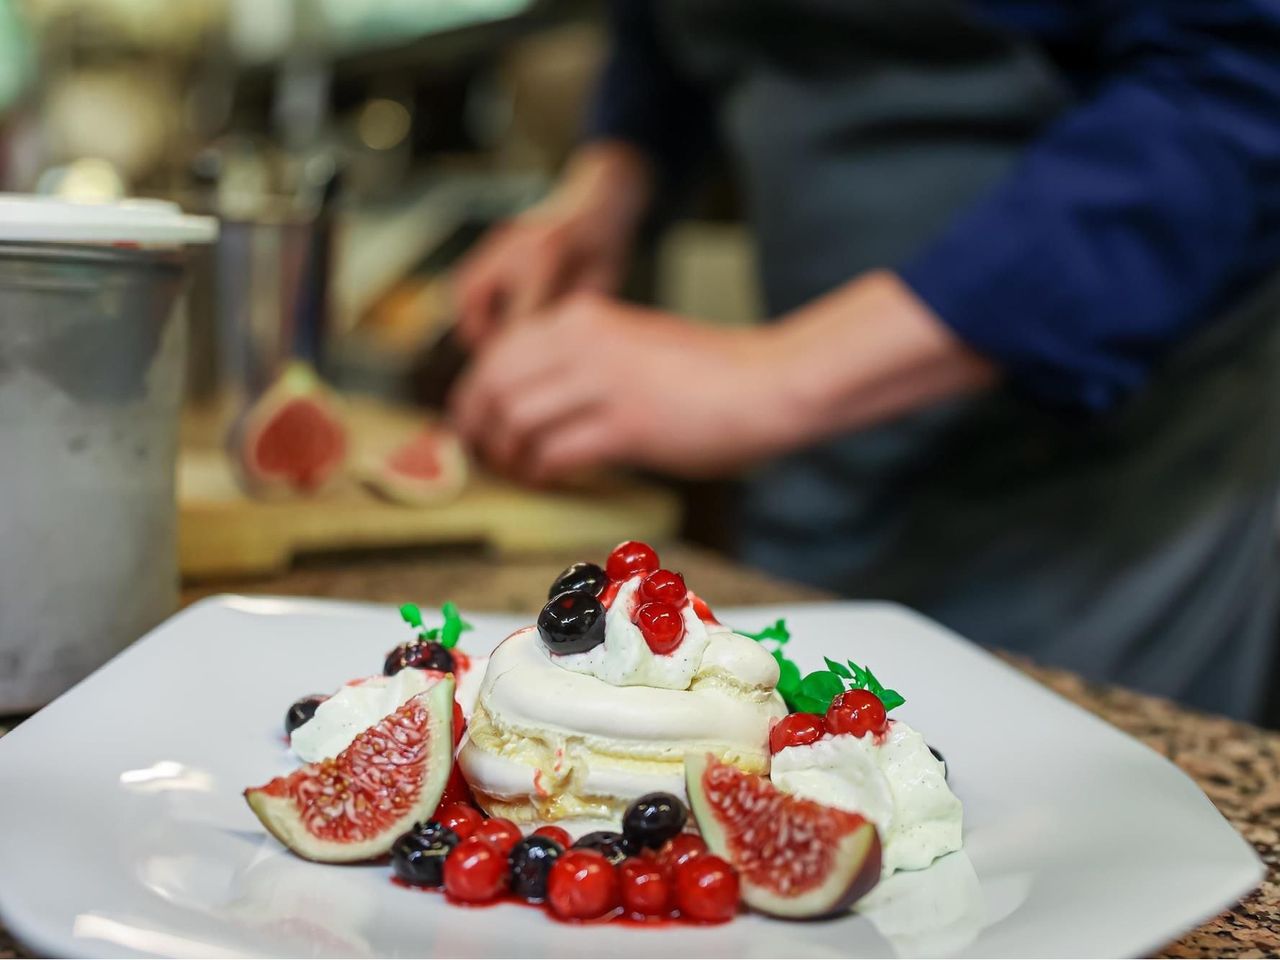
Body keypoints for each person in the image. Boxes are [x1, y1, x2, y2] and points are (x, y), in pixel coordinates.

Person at [450, 1, 1280, 721]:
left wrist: (772, 379)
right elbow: (665, 31)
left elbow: (1238, 84)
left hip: (1101, 490)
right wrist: (614, 177)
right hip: (824, 462)